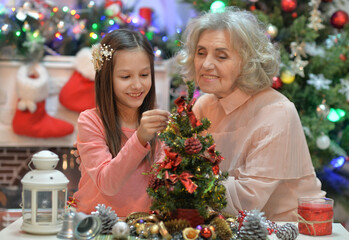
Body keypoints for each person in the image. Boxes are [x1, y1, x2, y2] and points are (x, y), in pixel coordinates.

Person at [176, 8, 325, 221]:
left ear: (247, 62)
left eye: (221, 55)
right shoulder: (203, 105)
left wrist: (183, 177)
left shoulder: (277, 112)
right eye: (201, 53)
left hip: (291, 231)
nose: (206, 64)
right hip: (229, 227)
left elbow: (247, 202)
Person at [73, 29, 169, 217]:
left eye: (144, 75)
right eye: (125, 77)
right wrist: (140, 137)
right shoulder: (90, 121)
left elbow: (164, 187)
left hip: (144, 226)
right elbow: (108, 184)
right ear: (107, 78)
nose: (137, 85)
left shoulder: (158, 125)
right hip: (94, 226)